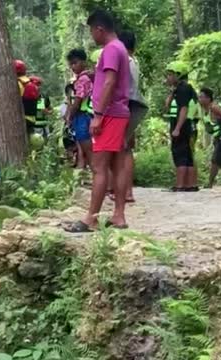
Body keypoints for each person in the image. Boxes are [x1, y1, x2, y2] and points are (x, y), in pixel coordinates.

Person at [65, 10, 131, 232]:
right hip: (120, 112)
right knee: (117, 164)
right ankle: (118, 215)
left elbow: (110, 82)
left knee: (98, 166)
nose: (92, 36)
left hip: (110, 114)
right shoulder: (120, 47)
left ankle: (91, 219)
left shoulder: (111, 50)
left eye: (92, 31)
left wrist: (99, 114)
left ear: (99, 29)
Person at [115, 30, 149, 203]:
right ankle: (127, 191)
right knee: (126, 149)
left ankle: (123, 191)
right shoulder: (134, 62)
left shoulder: (123, 61)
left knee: (121, 149)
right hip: (133, 107)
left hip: (123, 107)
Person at [165, 61, 200, 192]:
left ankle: (180, 185)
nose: (167, 78)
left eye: (170, 75)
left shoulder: (183, 89)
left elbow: (183, 109)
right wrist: (171, 92)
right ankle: (190, 185)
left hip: (182, 124)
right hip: (186, 125)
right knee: (187, 154)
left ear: (178, 75)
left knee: (180, 153)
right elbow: (167, 105)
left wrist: (177, 128)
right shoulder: (180, 89)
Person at [65, 49, 95, 169]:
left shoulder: (82, 79)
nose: (73, 67)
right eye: (71, 64)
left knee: (88, 149)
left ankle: (98, 177)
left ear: (83, 62)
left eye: (75, 63)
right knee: (88, 149)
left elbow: (78, 100)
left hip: (82, 116)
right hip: (90, 114)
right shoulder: (90, 77)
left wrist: (69, 116)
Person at [14, 59, 43, 149]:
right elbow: (41, 107)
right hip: (34, 119)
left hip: (23, 119)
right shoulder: (31, 85)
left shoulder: (17, 84)